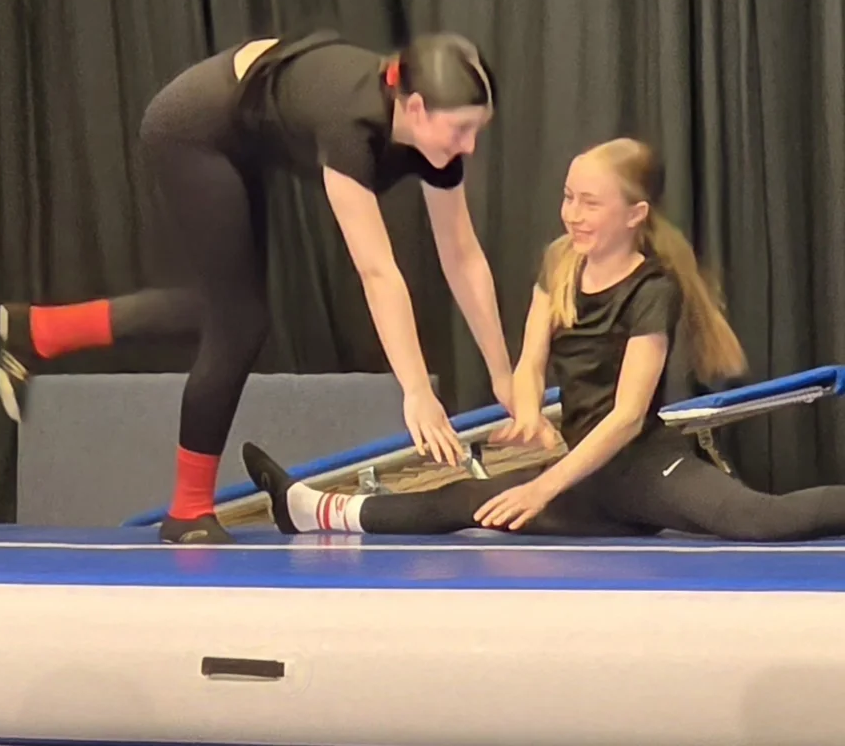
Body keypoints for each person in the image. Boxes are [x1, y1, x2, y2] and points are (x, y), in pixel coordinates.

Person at [0, 31, 511, 544]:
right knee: (238, 324)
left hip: (244, 133)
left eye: (477, 130)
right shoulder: (350, 126)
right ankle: (187, 512)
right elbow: (378, 272)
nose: (469, 146)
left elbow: (463, 257)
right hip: (192, 129)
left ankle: (38, 331)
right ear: (416, 107)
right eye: (462, 129)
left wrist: (506, 379)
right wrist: (416, 392)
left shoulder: (431, 141)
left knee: (226, 311)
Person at [246, 137, 845, 540]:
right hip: (586, 480)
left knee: (762, 520)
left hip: (645, 470)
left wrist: (542, 486)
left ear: (635, 214)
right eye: (568, 197)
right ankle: (311, 509)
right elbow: (530, 361)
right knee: (463, 502)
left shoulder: (653, 290)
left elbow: (626, 419)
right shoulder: (560, 262)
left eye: (591, 203)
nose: (572, 214)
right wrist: (529, 412)